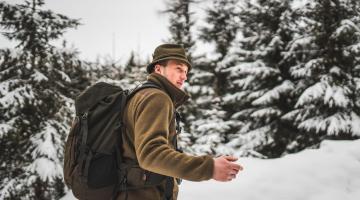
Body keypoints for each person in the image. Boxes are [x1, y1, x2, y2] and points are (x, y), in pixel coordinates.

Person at [117, 44, 243, 200]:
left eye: (186, 71)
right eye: (178, 69)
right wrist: (209, 168)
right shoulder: (156, 98)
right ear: (158, 69)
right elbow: (151, 154)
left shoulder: (141, 95)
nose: (184, 76)